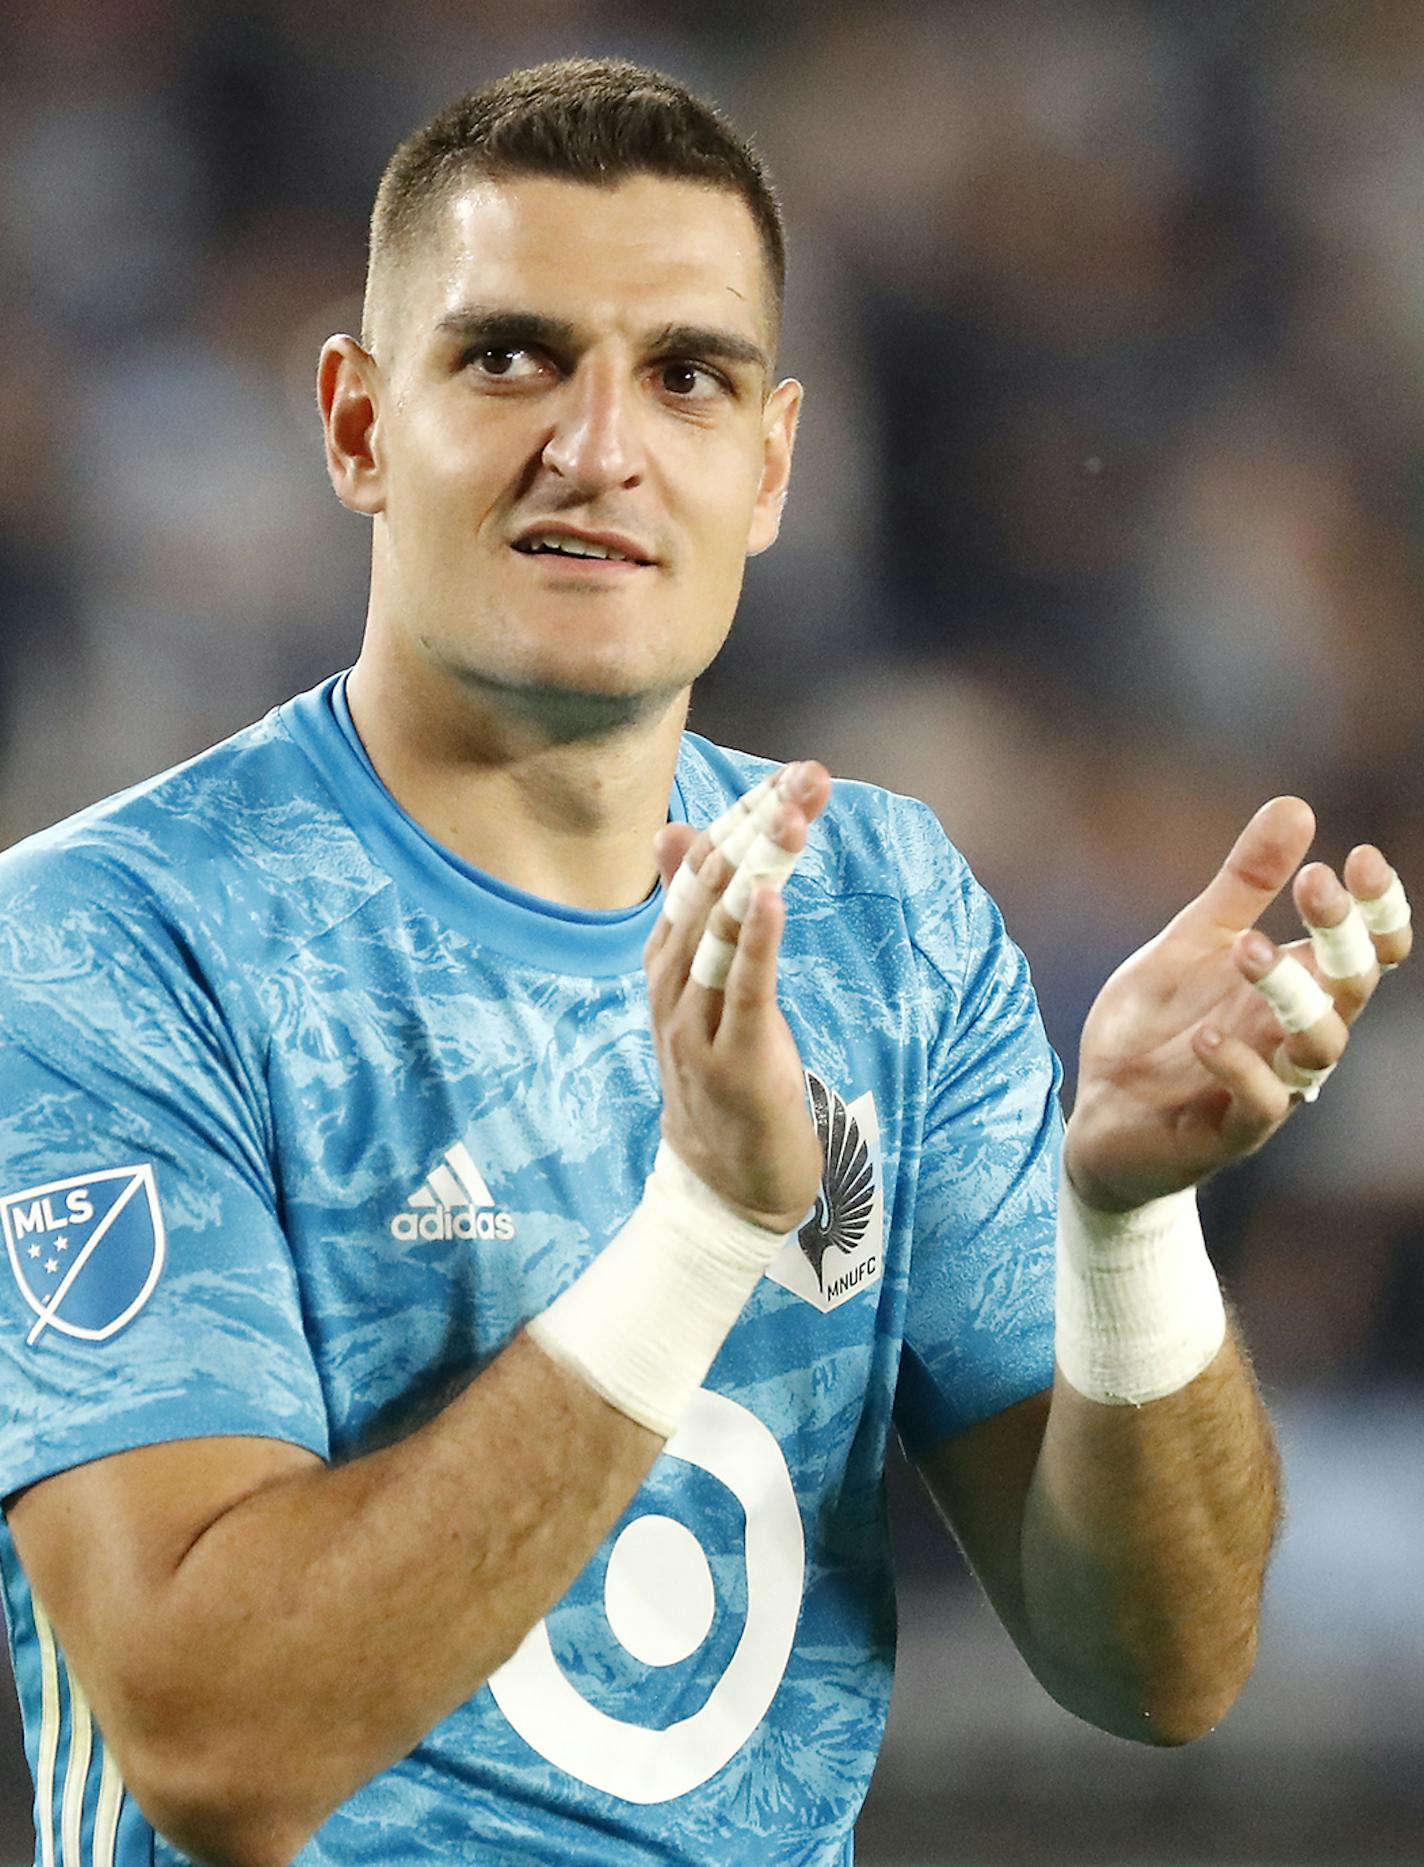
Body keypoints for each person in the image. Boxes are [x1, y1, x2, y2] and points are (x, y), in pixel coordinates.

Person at [0, 55, 1411, 1867]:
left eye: (686, 375)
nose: (599, 445)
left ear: (771, 465)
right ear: (356, 426)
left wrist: (1131, 1231)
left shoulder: (889, 917)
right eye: (511, 355)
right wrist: (702, 1231)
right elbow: (216, 1743)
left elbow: (1161, 1663)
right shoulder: (118, 944)